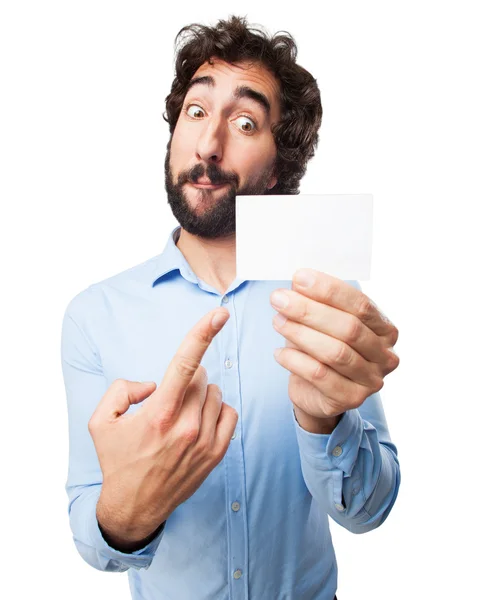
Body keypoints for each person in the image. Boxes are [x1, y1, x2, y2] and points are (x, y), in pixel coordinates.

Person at [60, 15, 401, 600]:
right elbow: (93, 538)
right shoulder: (95, 316)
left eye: (245, 122)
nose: (209, 144)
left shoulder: (324, 303)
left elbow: (368, 511)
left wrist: (324, 422)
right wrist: (131, 507)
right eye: (196, 112)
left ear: (279, 167)